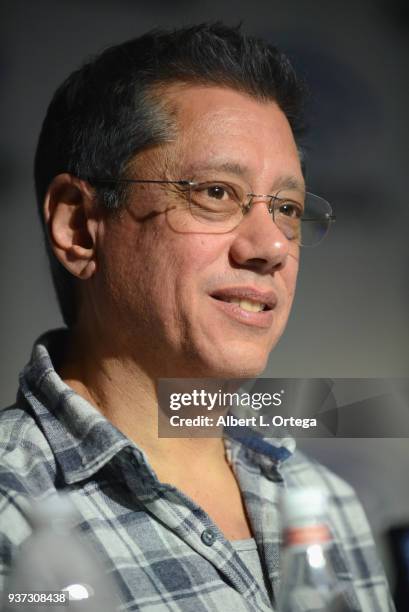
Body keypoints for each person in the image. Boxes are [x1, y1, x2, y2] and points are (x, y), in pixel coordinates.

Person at [0, 23, 394, 611]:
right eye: (215, 192)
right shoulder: (13, 518)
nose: (273, 246)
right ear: (80, 227)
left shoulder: (327, 501)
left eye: (286, 208)